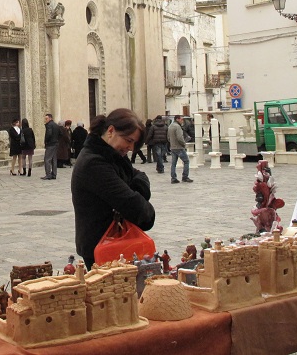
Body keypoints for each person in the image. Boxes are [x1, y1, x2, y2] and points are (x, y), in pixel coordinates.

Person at [71, 109, 156, 269]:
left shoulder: (113, 156)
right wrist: (136, 194)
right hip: (101, 247)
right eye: (128, 140)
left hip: (116, 244)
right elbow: (137, 208)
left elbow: (140, 176)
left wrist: (134, 189)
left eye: (134, 143)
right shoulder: (94, 163)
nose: (130, 148)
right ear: (111, 131)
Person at [168, 114, 192, 184]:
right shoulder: (177, 127)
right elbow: (180, 138)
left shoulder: (170, 126)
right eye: (181, 119)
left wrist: (172, 143)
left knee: (173, 163)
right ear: (177, 119)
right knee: (186, 161)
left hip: (173, 147)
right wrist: (184, 144)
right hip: (179, 147)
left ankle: (173, 178)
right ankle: (185, 177)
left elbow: (168, 137)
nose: (182, 121)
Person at [42, 113, 61, 180]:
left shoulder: (49, 125)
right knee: (54, 159)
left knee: (47, 159)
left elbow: (49, 134)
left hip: (50, 144)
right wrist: (57, 140)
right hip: (55, 144)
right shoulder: (56, 125)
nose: (45, 120)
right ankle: (54, 174)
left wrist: (46, 141)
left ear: (50, 118)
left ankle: (48, 174)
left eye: (46, 119)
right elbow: (60, 133)